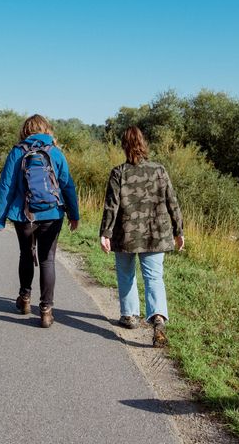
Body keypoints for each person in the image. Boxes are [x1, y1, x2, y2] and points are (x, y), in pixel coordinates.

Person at [99, 126, 184, 346]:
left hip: (126, 235)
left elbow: (111, 206)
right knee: (154, 277)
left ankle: (129, 315)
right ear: (143, 144)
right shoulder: (159, 170)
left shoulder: (119, 172)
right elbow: (172, 202)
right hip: (156, 234)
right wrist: (179, 230)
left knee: (126, 274)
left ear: (124, 146)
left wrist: (105, 233)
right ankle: (158, 318)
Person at [0, 114, 80, 328]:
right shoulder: (55, 153)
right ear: (46, 129)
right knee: (48, 260)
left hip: (23, 215)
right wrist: (74, 214)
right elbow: (67, 185)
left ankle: (24, 299)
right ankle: (46, 311)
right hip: (52, 214)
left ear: (25, 130)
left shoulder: (17, 152)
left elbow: (6, 186)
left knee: (26, 254)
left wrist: (0, 218)